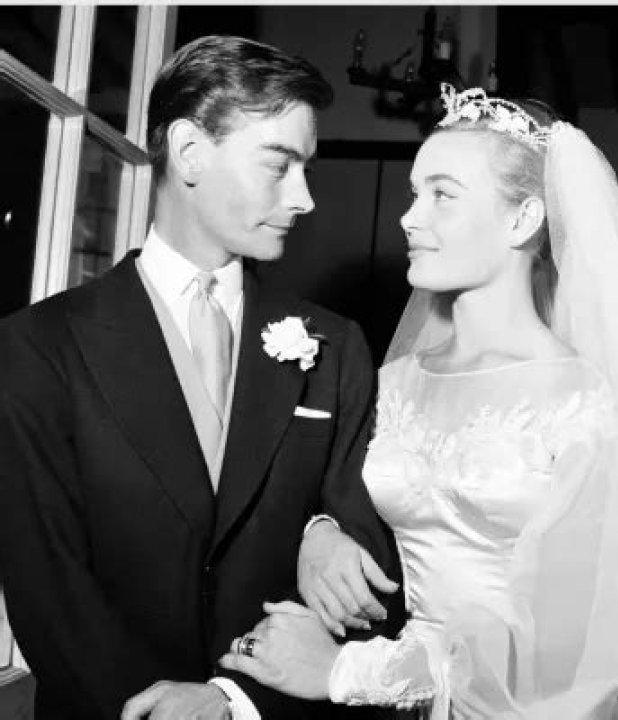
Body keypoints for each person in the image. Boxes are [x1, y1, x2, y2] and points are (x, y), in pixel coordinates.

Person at [219, 83, 618, 719]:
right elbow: (330, 504)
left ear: (522, 219)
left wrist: (347, 670)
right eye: (413, 193)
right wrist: (319, 532)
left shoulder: (583, 402)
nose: (409, 217)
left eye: (442, 194)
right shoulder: (394, 381)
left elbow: (567, 662)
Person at [0, 35, 404, 720]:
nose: (304, 197)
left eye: (305, 168)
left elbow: (367, 547)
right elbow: (47, 588)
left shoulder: (336, 346)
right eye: (279, 165)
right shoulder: (38, 347)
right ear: (189, 152)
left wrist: (233, 701)